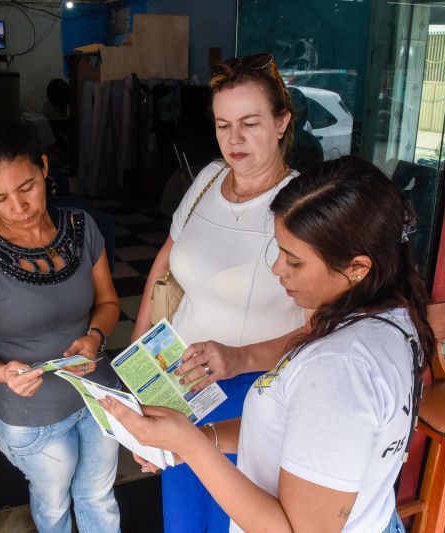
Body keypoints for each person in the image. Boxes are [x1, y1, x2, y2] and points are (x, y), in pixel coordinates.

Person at [105, 156, 436, 533]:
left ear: (357, 268)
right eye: (278, 250)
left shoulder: (338, 368)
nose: (277, 268)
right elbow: (293, 433)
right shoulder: (390, 317)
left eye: (294, 261)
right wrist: (198, 437)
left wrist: (192, 447)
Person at [131, 52, 305, 532]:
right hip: (180, 381)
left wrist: (240, 357)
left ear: (282, 122)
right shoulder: (208, 179)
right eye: (223, 124)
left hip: (251, 392)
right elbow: (166, 261)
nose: (235, 139)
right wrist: (138, 348)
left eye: (250, 123)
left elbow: (323, 328)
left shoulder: (304, 205)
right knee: (184, 513)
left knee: (234, 519)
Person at [0, 120, 121, 533]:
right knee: (52, 507)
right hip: (32, 417)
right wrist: (3, 374)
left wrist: (95, 338)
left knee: (99, 498)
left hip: (97, 394)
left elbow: (107, 302)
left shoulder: (82, 228)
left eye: (26, 187)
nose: (18, 206)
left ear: (44, 168)